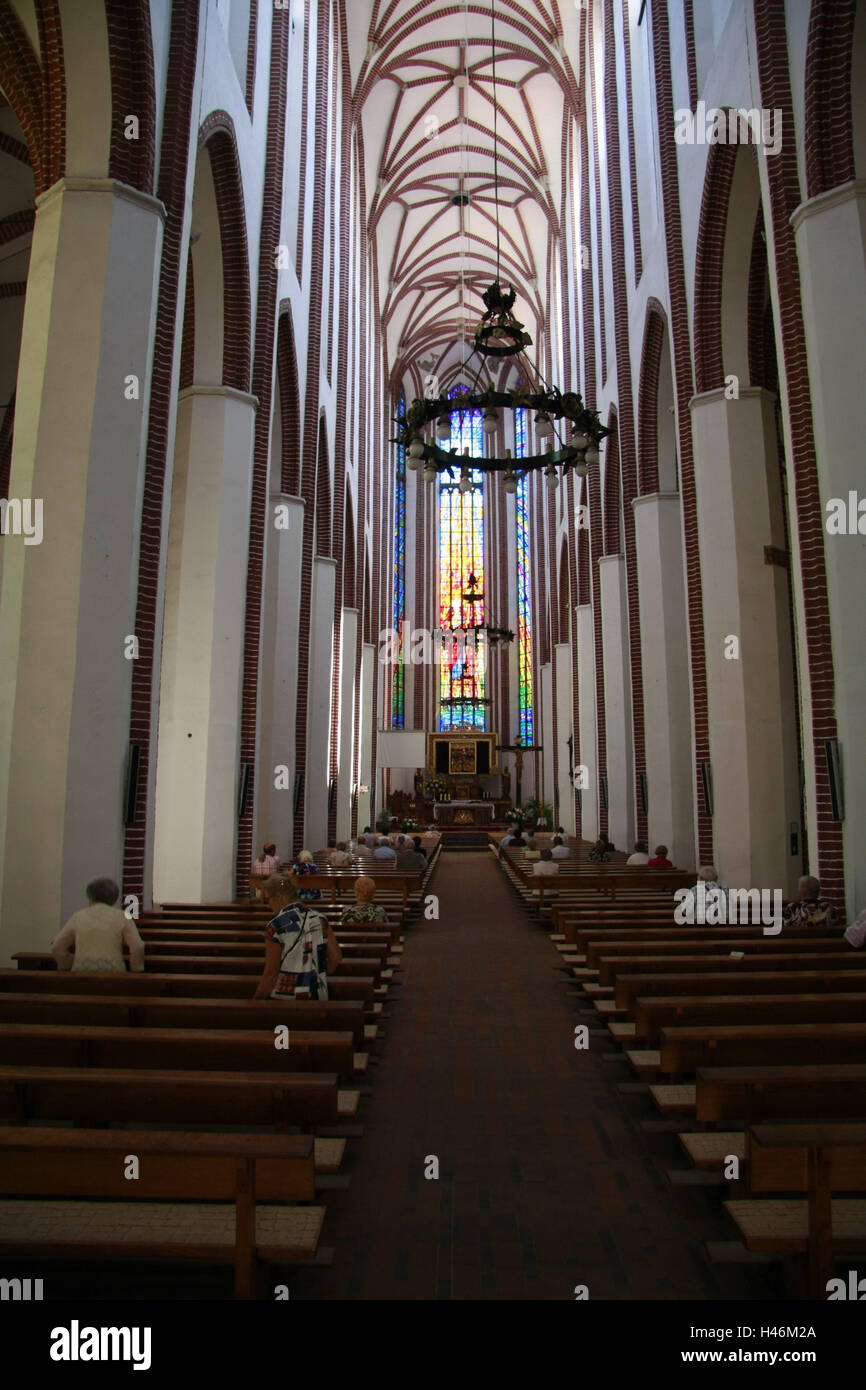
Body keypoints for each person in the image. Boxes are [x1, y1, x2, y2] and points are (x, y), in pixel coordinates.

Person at [255, 871, 341, 1000]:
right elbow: (336, 958)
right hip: (317, 995)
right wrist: (320, 973)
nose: (268, 904)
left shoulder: (275, 926)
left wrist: (256, 1000)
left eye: (269, 899)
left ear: (280, 896)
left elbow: (271, 973)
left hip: (286, 998)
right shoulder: (320, 919)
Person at [52, 878, 145, 973]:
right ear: (114, 898)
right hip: (114, 973)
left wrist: (67, 964)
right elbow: (138, 946)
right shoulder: (123, 916)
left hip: (81, 973)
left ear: (90, 896)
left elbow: (57, 946)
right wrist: (136, 968)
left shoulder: (78, 916)